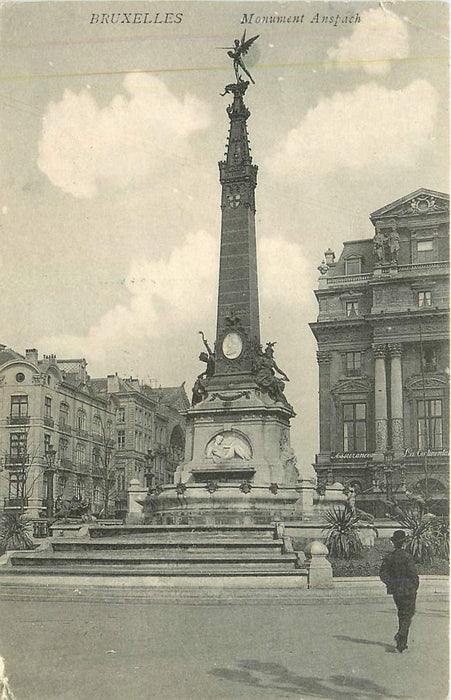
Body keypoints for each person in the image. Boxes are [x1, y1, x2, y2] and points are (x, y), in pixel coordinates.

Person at [379, 530, 419, 653]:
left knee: (402, 614)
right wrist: (415, 585)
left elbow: (382, 573)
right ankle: (401, 635)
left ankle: (402, 645)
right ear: (404, 543)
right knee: (408, 614)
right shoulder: (407, 557)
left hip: (396, 590)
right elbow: (413, 574)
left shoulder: (389, 557)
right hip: (408, 589)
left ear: (394, 543)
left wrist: (390, 584)